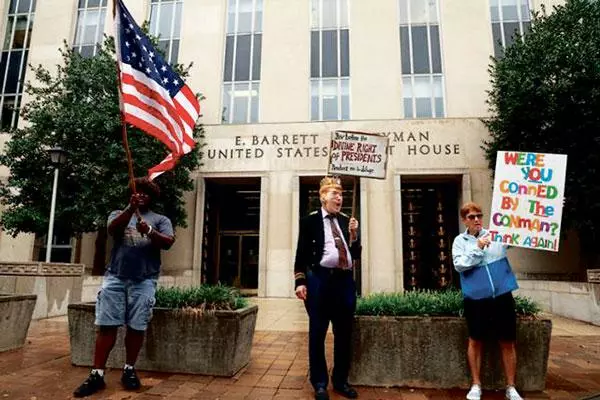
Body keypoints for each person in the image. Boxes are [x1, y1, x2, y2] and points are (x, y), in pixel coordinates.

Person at [73, 177, 175, 398]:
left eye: (146, 193)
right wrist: (130, 208)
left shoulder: (160, 219)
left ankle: (129, 369)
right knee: (107, 325)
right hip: (115, 277)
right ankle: (97, 374)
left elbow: (168, 242)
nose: (141, 196)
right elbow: (113, 230)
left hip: (144, 280)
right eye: (138, 192)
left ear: (152, 197)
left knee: (137, 326)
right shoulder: (118, 213)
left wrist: (149, 231)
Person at [294, 176, 361, 400]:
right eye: (335, 194)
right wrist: (300, 281)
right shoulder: (309, 221)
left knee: (344, 334)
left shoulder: (345, 220)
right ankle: (320, 383)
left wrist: (354, 235)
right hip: (320, 281)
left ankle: (341, 380)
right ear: (323, 197)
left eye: (341, 194)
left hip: (344, 282)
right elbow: (301, 254)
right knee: (318, 333)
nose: (339, 198)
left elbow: (355, 256)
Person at [452, 202, 523, 400]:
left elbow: (523, 234)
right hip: (476, 298)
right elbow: (460, 265)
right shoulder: (459, 241)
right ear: (464, 219)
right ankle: (476, 384)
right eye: (472, 217)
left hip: (501, 296)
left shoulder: (496, 234)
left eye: (479, 216)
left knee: (507, 341)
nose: (476, 220)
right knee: (475, 340)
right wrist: (478, 248)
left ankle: (511, 387)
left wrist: (548, 211)